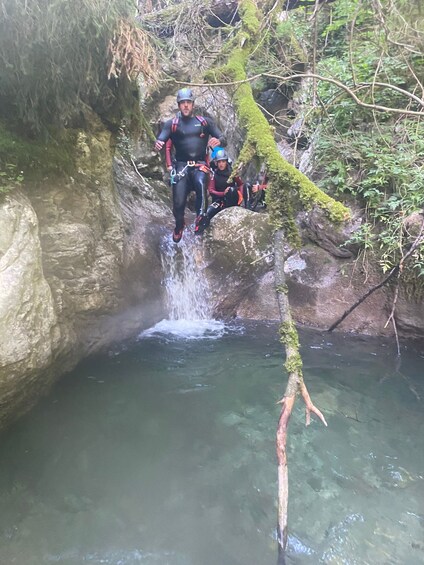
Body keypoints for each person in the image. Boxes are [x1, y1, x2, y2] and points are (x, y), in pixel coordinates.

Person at [154, 88, 226, 243]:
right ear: (179, 105)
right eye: (183, 103)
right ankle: (179, 224)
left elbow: (221, 136)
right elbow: (161, 138)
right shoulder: (171, 124)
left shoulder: (204, 122)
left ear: (193, 104)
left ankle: (200, 219)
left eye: (188, 102)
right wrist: (158, 143)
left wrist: (219, 140)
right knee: (178, 203)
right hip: (181, 167)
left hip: (200, 165)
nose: (186, 106)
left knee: (201, 184)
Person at [205, 148, 243, 222]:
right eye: (219, 162)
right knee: (207, 213)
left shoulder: (232, 173)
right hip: (219, 200)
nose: (221, 164)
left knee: (231, 190)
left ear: (226, 162)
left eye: (223, 161)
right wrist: (223, 193)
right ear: (216, 163)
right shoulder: (214, 175)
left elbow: (241, 184)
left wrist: (241, 196)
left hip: (231, 199)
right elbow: (211, 190)